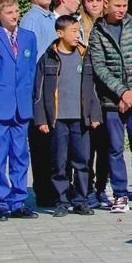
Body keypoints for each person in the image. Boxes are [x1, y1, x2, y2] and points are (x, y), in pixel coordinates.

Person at [88, 0, 132, 213]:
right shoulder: (98, 32)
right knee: (114, 148)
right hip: (112, 101)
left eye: (124, 5)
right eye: (117, 5)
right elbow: (99, 66)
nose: (121, 10)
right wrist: (121, 92)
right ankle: (119, 194)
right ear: (106, 4)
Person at [33, 15, 101, 216]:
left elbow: (93, 88)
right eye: (72, 31)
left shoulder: (84, 55)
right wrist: (42, 118)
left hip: (81, 119)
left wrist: (95, 114)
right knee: (59, 162)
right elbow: (38, 91)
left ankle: (80, 200)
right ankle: (61, 200)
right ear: (59, 33)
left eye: (78, 31)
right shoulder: (48, 58)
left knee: (82, 161)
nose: (77, 35)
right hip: (58, 120)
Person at [0, 0, 39, 220]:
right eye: (8, 13)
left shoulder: (28, 37)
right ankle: (1, 201)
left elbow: (31, 70)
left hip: (21, 105)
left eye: (16, 11)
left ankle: (18, 200)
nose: (14, 16)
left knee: (20, 154)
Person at [21, 0, 57, 208]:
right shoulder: (32, 19)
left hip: (52, 87)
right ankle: (44, 192)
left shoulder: (49, 17)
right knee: (41, 142)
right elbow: (29, 57)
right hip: (39, 86)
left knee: (52, 141)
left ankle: (51, 189)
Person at [82, 0, 113, 205]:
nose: (93, 4)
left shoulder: (108, 25)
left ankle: (103, 185)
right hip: (85, 90)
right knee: (86, 145)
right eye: (89, 0)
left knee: (106, 142)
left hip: (107, 91)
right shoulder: (78, 25)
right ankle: (87, 187)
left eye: (97, 1)